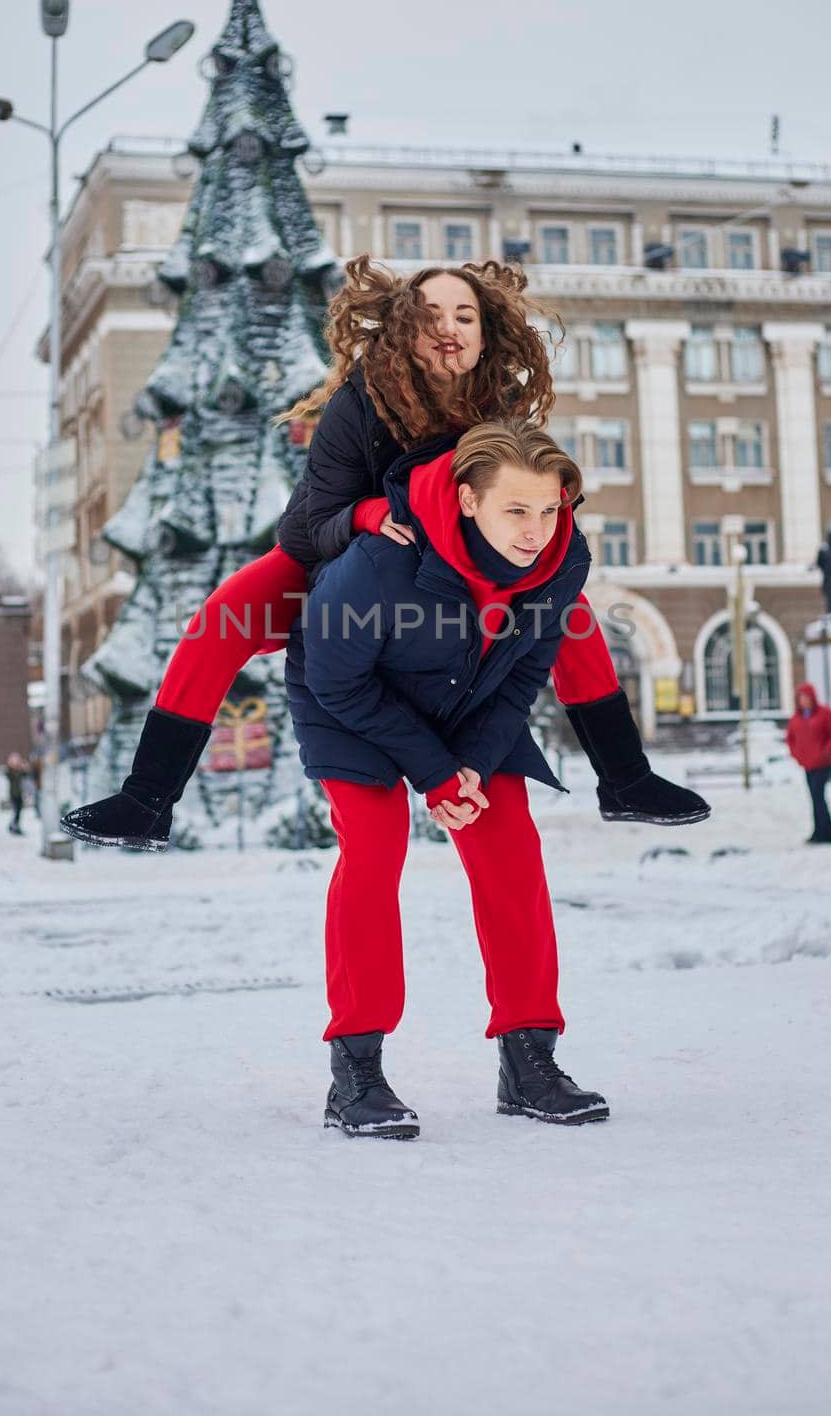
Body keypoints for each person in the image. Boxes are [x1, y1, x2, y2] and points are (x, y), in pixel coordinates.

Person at [62, 256, 708, 851]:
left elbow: (530, 493)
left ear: (486, 334)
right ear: (405, 330)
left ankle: (624, 779)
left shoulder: (502, 408)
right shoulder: (359, 403)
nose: (449, 329)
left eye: (465, 316)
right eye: (431, 317)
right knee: (220, 619)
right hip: (345, 560)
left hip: (464, 569)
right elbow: (306, 524)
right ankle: (148, 798)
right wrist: (370, 513)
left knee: (569, 618)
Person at [287, 418, 612, 1139]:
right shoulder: (380, 563)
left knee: (511, 853)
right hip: (350, 705)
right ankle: (356, 1072)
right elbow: (334, 680)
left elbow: (526, 669)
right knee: (373, 852)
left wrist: (468, 765)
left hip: (468, 706)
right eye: (516, 510)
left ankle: (529, 1061)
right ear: (469, 501)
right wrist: (433, 774)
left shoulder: (562, 560)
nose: (536, 530)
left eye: (549, 509)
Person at [785, 683, 831, 844]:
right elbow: (790, 738)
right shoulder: (797, 718)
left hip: (822, 763)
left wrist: (826, 750)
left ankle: (826, 834)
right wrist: (796, 754)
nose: (804, 701)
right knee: (815, 798)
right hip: (807, 764)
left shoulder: (825, 714)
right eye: (801, 698)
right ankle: (819, 832)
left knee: (819, 797)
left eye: (806, 697)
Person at [4, 752, 27, 835]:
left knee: (18, 812)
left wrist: (22, 766)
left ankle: (14, 825)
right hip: (13, 794)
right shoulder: (10, 773)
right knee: (16, 811)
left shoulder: (20, 772)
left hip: (19, 794)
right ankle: (14, 826)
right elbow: (8, 774)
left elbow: (26, 774)